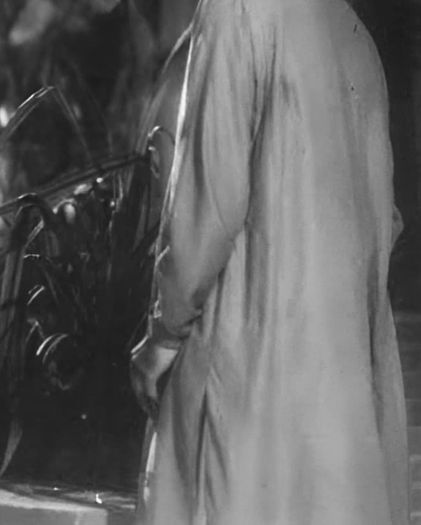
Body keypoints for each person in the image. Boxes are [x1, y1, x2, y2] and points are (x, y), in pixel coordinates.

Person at [129, 0, 409, 523]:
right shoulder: (353, 34)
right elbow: (383, 222)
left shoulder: (236, 10)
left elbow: (208, 203)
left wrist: (163, 335)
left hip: (245, 375)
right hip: (335, 406)